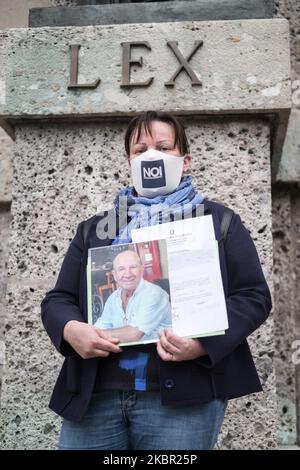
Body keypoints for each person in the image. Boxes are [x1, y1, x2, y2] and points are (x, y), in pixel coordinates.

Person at [41, 110, 272, 450]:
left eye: (163, 147)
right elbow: (58, 300)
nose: (152, 156)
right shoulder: (95, 229)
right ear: (130, 160)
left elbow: (253, 296)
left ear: (185, 160)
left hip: (184, 399)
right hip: (96, 396)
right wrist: (70, 330)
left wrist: (203, 344)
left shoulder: (219, 221)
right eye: (140, 149)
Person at [94, 250, 172, 343]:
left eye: (133, 267)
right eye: (121, 269)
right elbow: (102, 325)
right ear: (114, 275)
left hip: (159, 351)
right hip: (129, 351)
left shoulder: (154, 294)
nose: (128, 274)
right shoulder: (113, 298)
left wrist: (93, 335)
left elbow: (133, 334)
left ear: (142, 270)